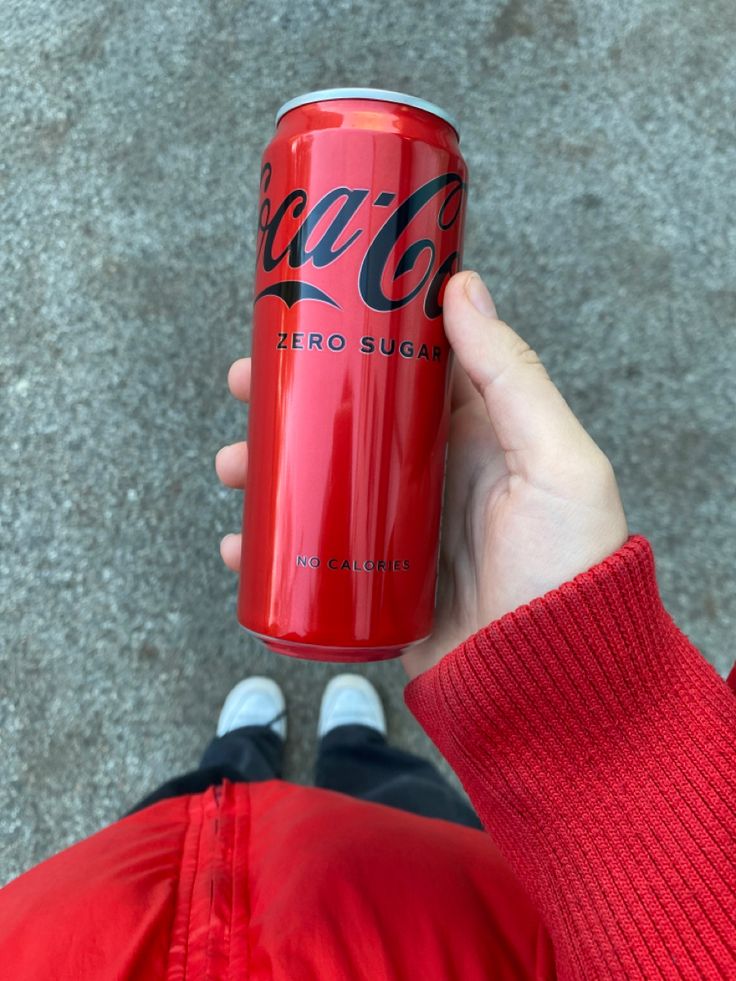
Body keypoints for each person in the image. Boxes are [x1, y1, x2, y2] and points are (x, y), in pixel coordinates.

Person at [1, 270, 734, 979]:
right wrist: (598, 725)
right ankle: (352, 748)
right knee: (397, 795)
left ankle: (238, 756)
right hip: (426, 921)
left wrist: (605, 733)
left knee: (194, 800)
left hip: (96, 929)